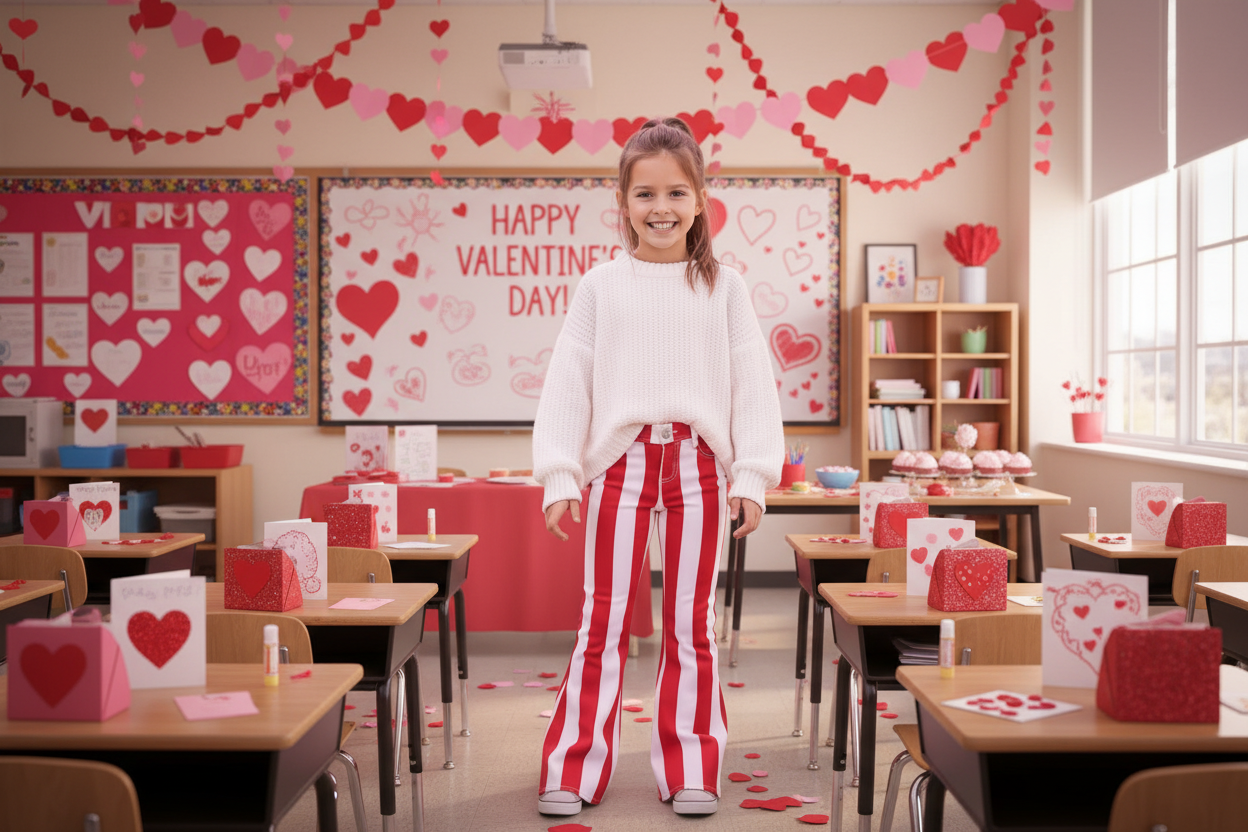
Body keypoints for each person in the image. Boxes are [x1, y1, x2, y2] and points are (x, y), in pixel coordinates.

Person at [531, 116, 784, 818]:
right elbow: (567, 383)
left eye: (677, 193)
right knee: (602, 620)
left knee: (691, 624)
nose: (661, 208)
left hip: (702, 466)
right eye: (645, 195)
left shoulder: (725, 288)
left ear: (701, 200)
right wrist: (559, 475)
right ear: (623, 203)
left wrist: (753, 478)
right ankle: (573, 769)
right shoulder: (600, 287)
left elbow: (751, 384)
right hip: (618, 464)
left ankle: (691, 766)